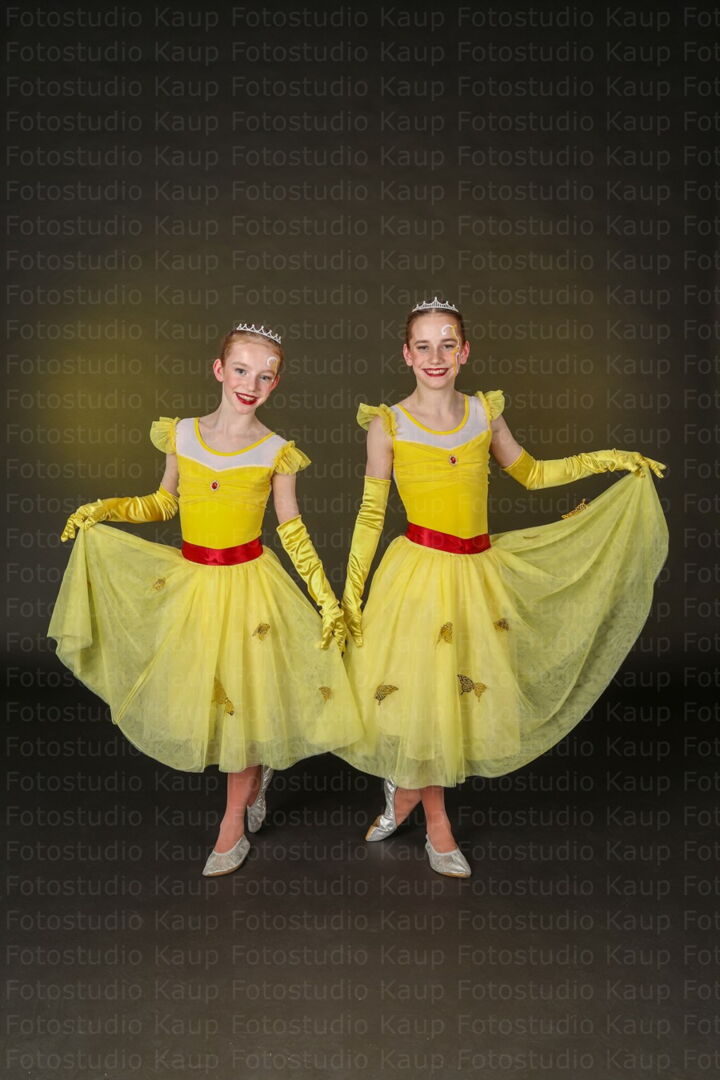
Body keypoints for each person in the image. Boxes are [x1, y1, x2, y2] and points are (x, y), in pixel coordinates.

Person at [339, 298, 668, 877]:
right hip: (418, 576)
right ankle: (438, 827)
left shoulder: (482, 414)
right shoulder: (387, 424)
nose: (436, 356)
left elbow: (533, 473)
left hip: (477, 574)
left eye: (447, 344)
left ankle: (403, 789)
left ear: (464, 352)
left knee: (458, 695)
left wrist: (610, 458)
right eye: (424, 346)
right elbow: (371, 514)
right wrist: (350, 595)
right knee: (425, 695)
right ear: (406, 355)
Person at [48, 323, 359, 876]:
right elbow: (163, 502)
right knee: (210, 697)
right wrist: (106, 509)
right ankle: (255, 779)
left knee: (246, 698)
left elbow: (291, 531)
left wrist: (327, 599)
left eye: (264, 377)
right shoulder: (182, 435)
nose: (250, 384)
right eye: (241, 370)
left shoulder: (276, 452)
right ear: (219, 370)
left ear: (275, 384)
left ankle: (231, 821)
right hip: (193, 584)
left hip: (249, 588)